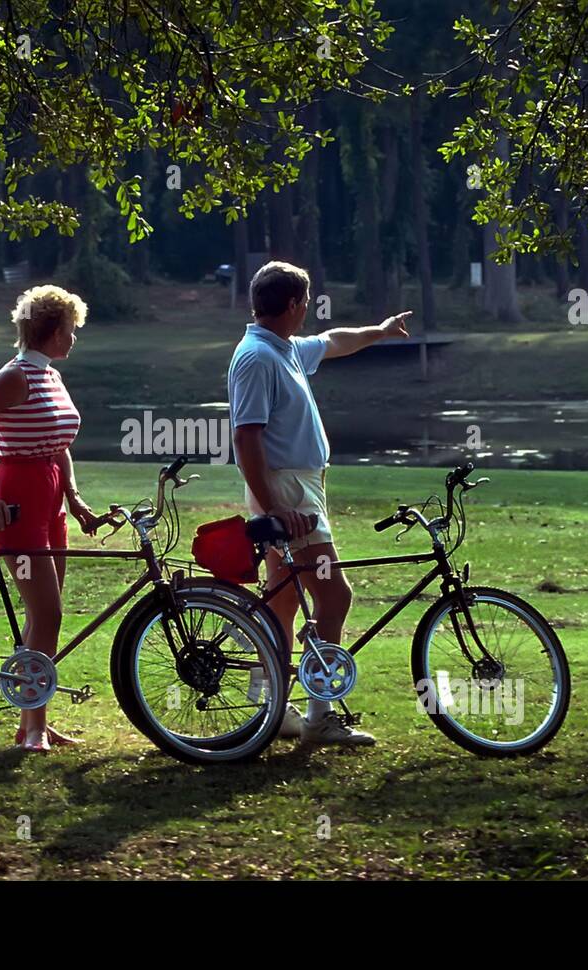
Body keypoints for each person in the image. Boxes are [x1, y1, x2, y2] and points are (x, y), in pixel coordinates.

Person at [228, 261, 412, 746]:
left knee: (284, 601)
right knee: (334, 596)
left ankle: (271, 706)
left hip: (298, 486)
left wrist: (382, 330)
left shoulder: (283, 348)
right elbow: (246, 438)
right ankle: (319, 715)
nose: (309, 309)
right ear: (291, 304)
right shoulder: (257, 358)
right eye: (305, 302)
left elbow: (335, 341)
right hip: (287, 490)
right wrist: (272, 508)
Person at [0, 285, 103, 752]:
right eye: (71, 330)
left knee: (44, 620)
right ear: (53, 331)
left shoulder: (50, 376)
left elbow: (59, 443)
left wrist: (74, 498)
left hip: (51, 500)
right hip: (17, 500)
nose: (74, 339)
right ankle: (33, 728)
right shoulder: (15, 376)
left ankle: (33, 720)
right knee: (48, 613)